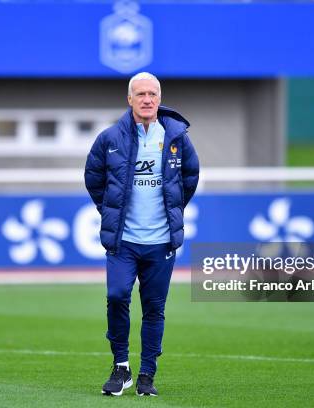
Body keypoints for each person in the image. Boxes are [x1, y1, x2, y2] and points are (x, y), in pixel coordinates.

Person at [84, 72, 199, 397]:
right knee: (117, 295)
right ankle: (121, 367)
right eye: (141, 94)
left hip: (161, 241)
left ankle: (147, 373)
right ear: (129, 99)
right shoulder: (109, 139)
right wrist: (111, 210)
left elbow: (190, 175)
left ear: (159, 99)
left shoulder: (176, 136)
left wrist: (173, 208)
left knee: (154, 308)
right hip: (124, 241)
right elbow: (93, 178)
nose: (147, 99)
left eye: (152, 94)